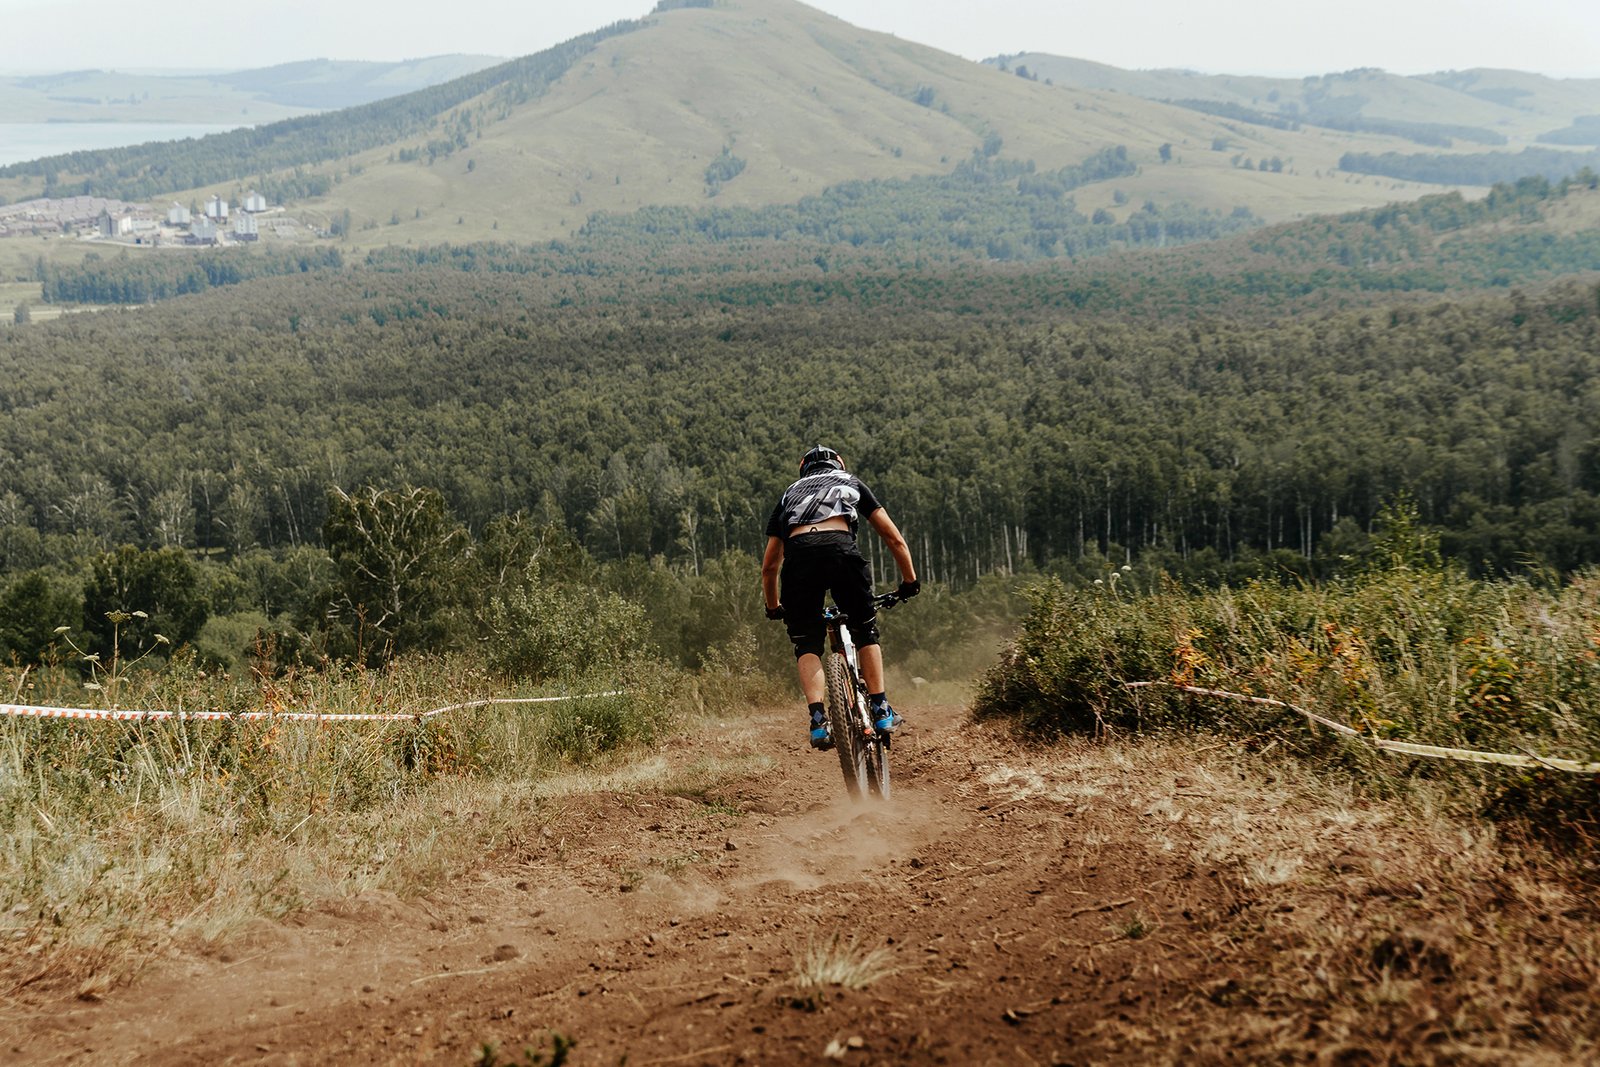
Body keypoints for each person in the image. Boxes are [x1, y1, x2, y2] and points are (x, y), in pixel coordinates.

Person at [760, 445, 919, 749]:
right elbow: (893, 537)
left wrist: (772, 606)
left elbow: (770, 565)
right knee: (864, 630)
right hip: (841, 551)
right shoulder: (850, 481)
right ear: (838, 465)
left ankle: (819, 720)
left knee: (806, 643)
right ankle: (881, 709)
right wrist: (909, 581)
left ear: (804, 471)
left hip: (800, 562)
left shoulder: (788, 495)